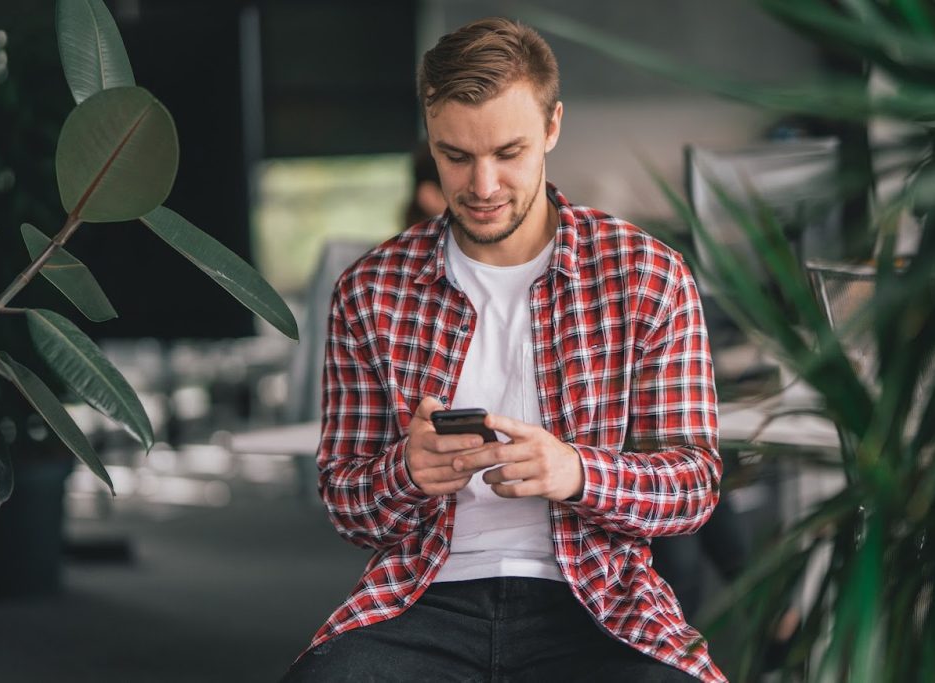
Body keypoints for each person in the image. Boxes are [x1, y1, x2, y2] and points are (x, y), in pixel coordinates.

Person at [279, 17, 725, 683]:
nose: (482, 185)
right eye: (455, 156)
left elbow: (694, 485)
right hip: (422, 598)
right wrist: (407, 470)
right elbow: (345, 499)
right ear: (430, 138)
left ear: (552, 128)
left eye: (508, 153)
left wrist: (575, 471)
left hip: (599, 600)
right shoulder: (370, 289)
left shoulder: (647, 275)